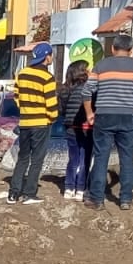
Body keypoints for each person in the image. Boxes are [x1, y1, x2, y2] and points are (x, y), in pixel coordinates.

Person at [82, 34, 133, 210]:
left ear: (112, 49)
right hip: (129, 116)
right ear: (131, 51)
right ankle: (125, 199)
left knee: (101, 157)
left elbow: (86, 92)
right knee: (127, 158)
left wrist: (89, 113)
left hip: (105, 116)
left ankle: (96, 198)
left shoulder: (101, 66)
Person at [9, 42, 59, 204]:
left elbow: (16, 96)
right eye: (51, 55)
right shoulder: (47, 78)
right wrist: (52, 118)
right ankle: (29, 193)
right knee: (37, 159)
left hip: (25, 122)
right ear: (47, 57)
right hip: (41, 123)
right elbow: (51, 104)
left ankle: (13, 193)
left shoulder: (22, 74)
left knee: (23, 158)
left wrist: (26, 109)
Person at [57, 59, 92, 201]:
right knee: (84, 159)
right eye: (88, 69)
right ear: (82, 72)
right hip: (86, 128)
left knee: (73, 159)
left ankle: (69, 187)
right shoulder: (88, 88)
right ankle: (80, 189)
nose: (90, 71)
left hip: (70, 127)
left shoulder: (64, 89)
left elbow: (61, 110)